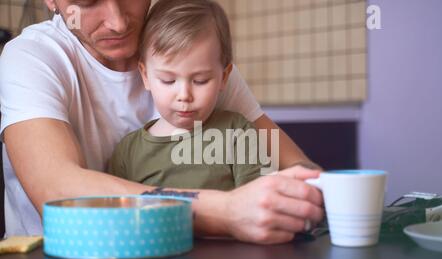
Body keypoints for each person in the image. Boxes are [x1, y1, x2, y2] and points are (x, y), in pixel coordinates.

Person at [0, 0, 323, 244]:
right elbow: (58, 194)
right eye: (88, 1)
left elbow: (295, 162)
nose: (117, 21)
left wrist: (313, 194)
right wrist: (225, 211)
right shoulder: (31, 58)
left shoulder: (190, 48)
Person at [109, 0, 266, 191]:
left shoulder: (238, 133)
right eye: (168, 80)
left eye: (200, 81)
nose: (184, 96)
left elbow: (258, 203)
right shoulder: (128, 152)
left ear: (224, 77)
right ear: (145, 75)